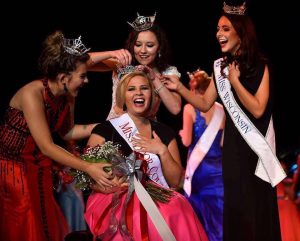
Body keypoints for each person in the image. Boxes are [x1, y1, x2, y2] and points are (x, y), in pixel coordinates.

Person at [164, 2, 287, 241]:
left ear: (241, 32)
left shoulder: (261, 66)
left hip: (256, 151)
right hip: (232, 151)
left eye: (225, 28)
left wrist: (235, 81)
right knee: (237, 210)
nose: (218, 34)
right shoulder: (220, 67)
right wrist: (179, 87)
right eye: (217, 29)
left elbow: (259, 109)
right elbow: (204, 104)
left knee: (257, 209)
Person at [0, 30, 116, 241]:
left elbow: (67, 132)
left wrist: (105, 126)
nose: (86, 80)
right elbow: (47, 145)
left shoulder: (67, 94)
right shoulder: (32, 94)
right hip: (13, 170)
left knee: (45, 224)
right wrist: (88, 167)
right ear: (63, 78)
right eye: (82, 76)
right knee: (27, 225)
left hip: (39, 166)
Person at [84, 70, 209, 241]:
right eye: (131, 89)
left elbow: (176, 182)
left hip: (158, 195)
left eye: (144, 88)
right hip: (115, 198)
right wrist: (112, 185)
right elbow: (87, 175)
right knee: (134, 217)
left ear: (151, 94)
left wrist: (162, 151)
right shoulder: (105, 130)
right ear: (123, 96)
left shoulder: (164, 133)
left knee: (178, 207)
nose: (139, 93)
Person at [87, 12, 181, 120]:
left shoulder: (167, 72)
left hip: (146, 133)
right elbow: (80, 63)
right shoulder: (122, 64)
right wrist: (110, 54)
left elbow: (175, 108)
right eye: (138, 45)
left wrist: (155, 79)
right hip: (115, 131)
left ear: (159, 47)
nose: (143, 50)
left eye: (150, 45)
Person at [179, 69, 225, 241]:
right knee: (219, 216)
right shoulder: (222, 109)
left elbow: (186, 141)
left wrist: (183, 133)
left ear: (193, 89)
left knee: (199, 216)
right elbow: (223, 144)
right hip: (219, 170)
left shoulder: (190, 108)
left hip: (200, 170)